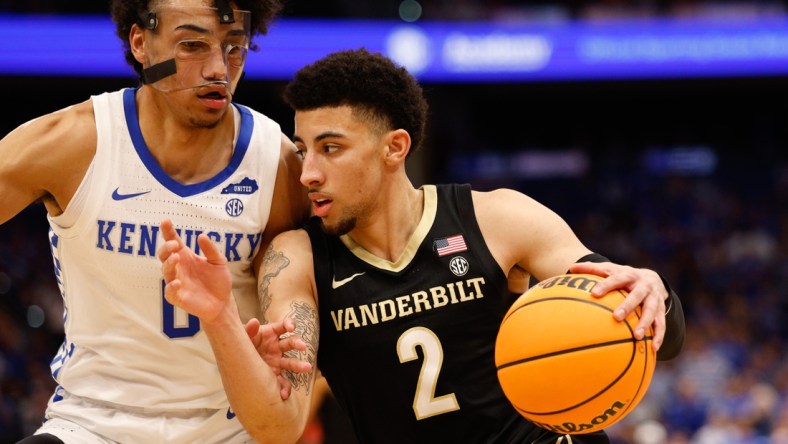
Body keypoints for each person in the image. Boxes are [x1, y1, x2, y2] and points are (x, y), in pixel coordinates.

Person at [158, 48, 686, 443]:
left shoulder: (498, 217)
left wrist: (651, 290)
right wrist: (220, 315)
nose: (309, 173)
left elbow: (662, 332)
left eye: (331, 148)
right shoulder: (296, 258)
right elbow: (280, 426)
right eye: (303, 150)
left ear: (395, 148)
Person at [0, 0, 311, 442]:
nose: (218, 69)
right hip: (90, 424)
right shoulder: (74, 144)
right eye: (192, 45)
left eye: (235, 48)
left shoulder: (277, 166)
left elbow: (294, 365)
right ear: (141, 42)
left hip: (228, 428)